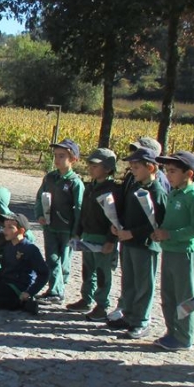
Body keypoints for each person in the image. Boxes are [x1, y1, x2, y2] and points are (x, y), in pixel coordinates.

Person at [109, 147, 168, 339]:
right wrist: (118, 226)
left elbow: (156, 223)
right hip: (128, 243)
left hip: (144, 245)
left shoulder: (156, 191)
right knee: (129, 282)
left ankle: (141, 322)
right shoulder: (135, 186)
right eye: (131, 166)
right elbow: (128, 212)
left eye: (136, 166)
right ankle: (129, 315)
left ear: (150, 168)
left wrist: (132, 233)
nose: (132, 170)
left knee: (143, 285)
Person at [150, 150, 194, 351]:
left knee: (184, 297)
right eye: (167, 171)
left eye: (173, 171)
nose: (168, 175)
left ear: (188, 174)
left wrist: (171, 235)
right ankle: (171, 331)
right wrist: (159, 233)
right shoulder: (173, 193)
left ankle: (184, 337)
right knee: (168, 295)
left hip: (185, 253)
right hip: (170, 251)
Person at [65, 148, 121, 320]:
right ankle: (86, 298)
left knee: (103, 273)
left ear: (107, 168)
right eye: (90, 165)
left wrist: (111, 240)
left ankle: (102, 305)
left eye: (96, 165)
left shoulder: (113, 189)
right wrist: (77, 233)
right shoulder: (90, 187)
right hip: (88, 236)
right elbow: (83, 213)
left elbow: (115, 218)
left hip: (103, 238)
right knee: (87, 270)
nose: (91, 168)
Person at [34, 138, 84, 303]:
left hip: (66, 229)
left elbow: (79, 208)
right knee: (52, 259)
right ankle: (54, 290)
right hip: (50, 226)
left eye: (62, 156)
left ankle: (59, 288)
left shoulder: (75, 183)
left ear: (73, 159)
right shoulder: (49, 178)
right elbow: (39, 198)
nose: (57, 159)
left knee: (64, 261)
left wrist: (77, 231)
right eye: (55, 155)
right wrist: (40, 214)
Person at [0, 213, 49, 314]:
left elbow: (44, 273)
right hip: (7, 281)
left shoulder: (30, 249)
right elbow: (4, 268)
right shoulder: (8, 246)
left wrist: (29, 292)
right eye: (4, 227)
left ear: (21, 231)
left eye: (10, 227)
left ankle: (22, 303)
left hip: (19, 286)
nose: (5, 230)